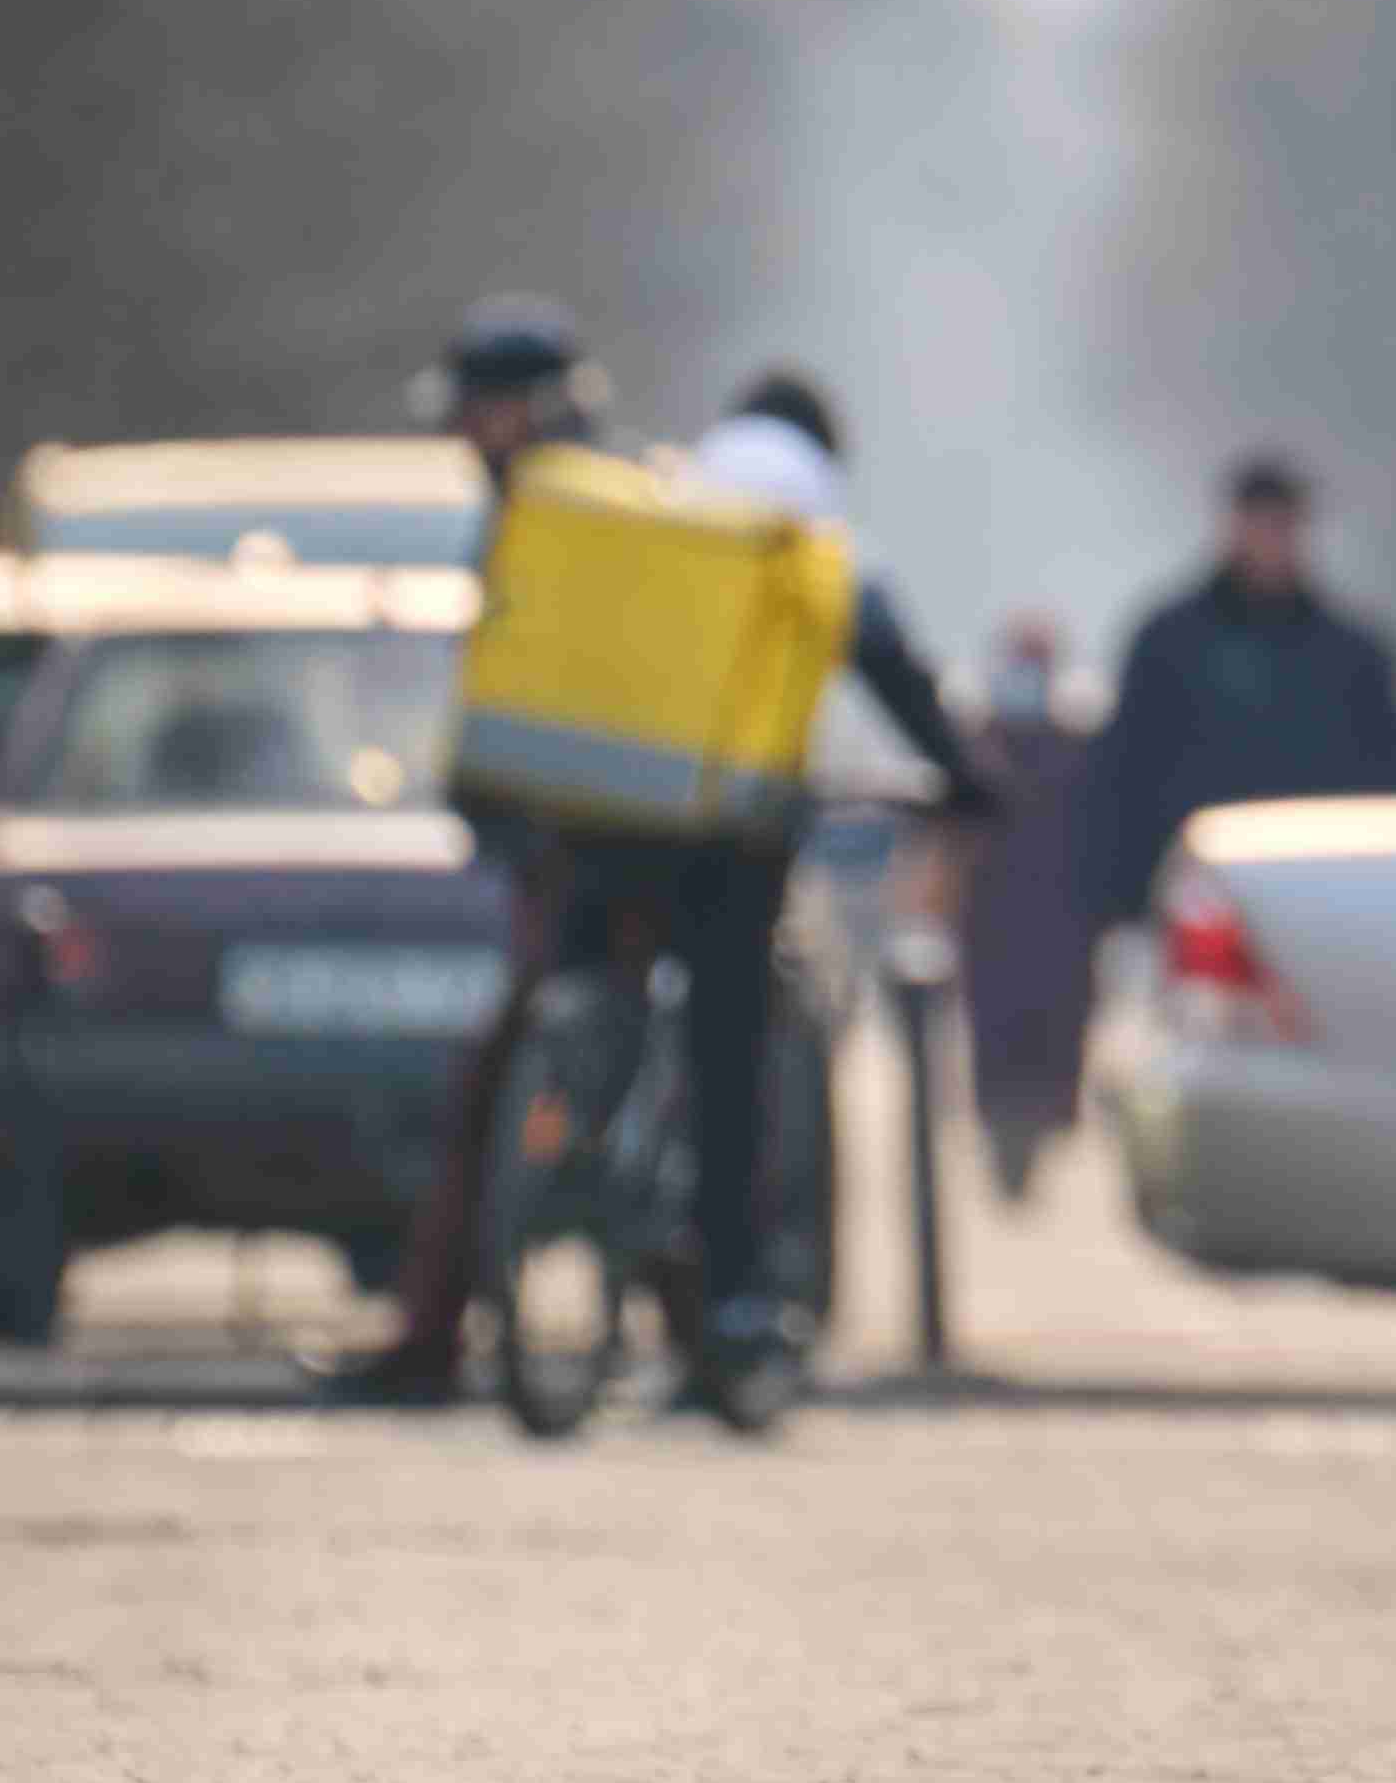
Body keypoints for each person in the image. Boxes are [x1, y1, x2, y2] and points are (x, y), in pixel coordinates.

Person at [351, 313, 997, 1428]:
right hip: (728, 845)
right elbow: (880, 653)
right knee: (728, 1055)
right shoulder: (802, 529)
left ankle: (553, 1183)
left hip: (596, 821)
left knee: (561, 1017)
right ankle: (733, 1303)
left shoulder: (644, 504)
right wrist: (970, 782)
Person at [1081, 455, 1396, 926]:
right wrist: (1120, 896)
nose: (1273, 540)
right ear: (1233, 526)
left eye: (1284, 525)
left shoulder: (1353, 654)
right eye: (1263, 523)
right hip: (1200, 892)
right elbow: (1125, 771)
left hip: (1325, 890)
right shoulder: (1169, 643)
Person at [956, 614, 1098, 1204]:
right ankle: (1000, 1126)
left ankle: (1043, 1123)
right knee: (994, 1032)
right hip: (990, 920)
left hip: (1060, 920)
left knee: (1054, 1032)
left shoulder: (1079, 744)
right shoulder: (975, 739)